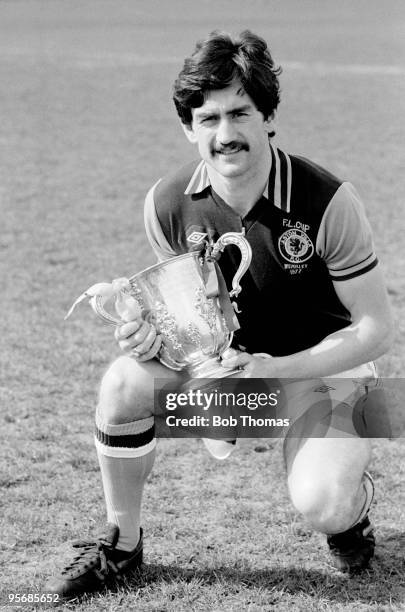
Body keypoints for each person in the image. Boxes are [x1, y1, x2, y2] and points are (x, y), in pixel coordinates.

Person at [45, 30, 394, 599]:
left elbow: (377, 330)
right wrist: (150, 336)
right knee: (124, 382)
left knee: (323, 504)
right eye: (208, 119)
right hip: (233, 378)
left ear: (269, 116)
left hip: (322, 378)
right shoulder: (168, 203)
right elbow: (194, 313)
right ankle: (122, 541)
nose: (225, 135)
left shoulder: (328, 200)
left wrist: (275, 368)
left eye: (240, 113)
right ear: (189, 127)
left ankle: (351, 512)